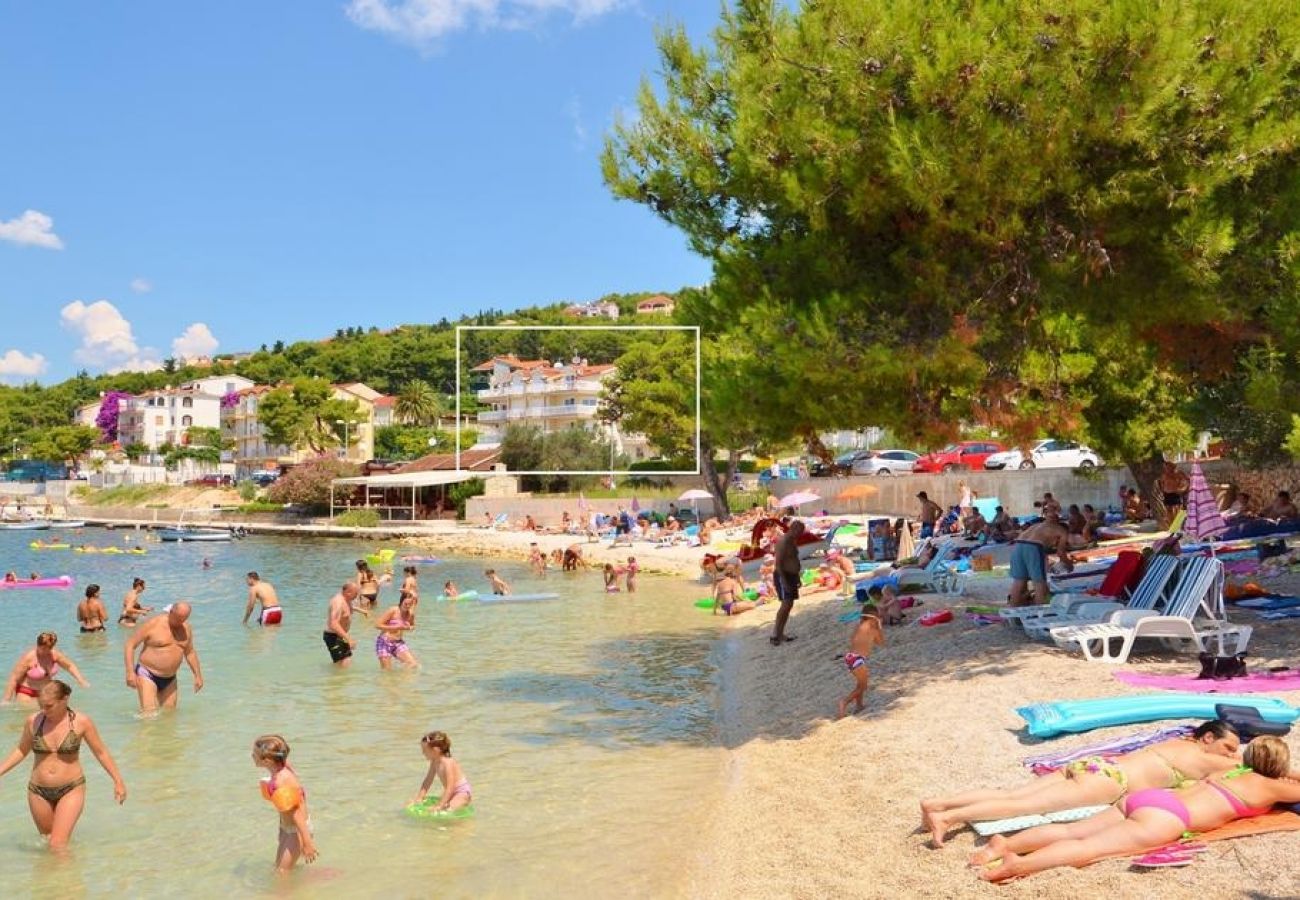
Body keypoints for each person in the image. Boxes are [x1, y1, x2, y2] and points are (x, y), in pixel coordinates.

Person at [973, 736, 1300, 883]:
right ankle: (1016, 865)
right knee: (1087, 848)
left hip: (1148, 798)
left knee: (1073, 830)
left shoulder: (1226, 771)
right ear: (1278, 767)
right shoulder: (1271, 786)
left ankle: (1005, 844)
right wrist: (1286, 771)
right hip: (1167, 819)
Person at [922, 719, 1245, 847]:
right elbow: (1252, 764)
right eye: (1228, 747)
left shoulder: (1177, 743)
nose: (1232, 755)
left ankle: (939, 804)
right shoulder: (1205, 756)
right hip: (1109, 780)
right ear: (1207, 738)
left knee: (1013, 794)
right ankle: (948, 818)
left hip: (1096, 765)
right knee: (1021, 805)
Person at [0, 680, 126, 851]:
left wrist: (117, 780)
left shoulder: (82, 722)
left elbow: (101, 752)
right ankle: (55, 877)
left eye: (49, 706)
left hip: (71, 788)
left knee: (57, 845)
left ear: (64, 699)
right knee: (47, 842)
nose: (44, 710)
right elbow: (21, 750)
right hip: (38, 791)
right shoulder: (33, 721)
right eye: (41, 705)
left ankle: (67, 877)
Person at [252, 734, 317, 873]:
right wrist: (282, 829)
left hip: (297, 830)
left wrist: (307, 843)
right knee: (278, 868)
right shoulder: (279, 768)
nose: (252, 756)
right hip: (287, 828)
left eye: (255, 754)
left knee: (282, 872)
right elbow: (285, 809)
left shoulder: (282, 780)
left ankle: (327, 876)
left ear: (267, 760)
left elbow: (297, 814)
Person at [124, 603, 203, 712]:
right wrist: (130, 673)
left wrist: (197, 675)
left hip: (170, 678)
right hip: (147, 673)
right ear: (171, 612)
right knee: (149, 714)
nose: (180, 622)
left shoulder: (186, 628)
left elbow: (189, 652)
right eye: (178, 618)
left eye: (184, 619)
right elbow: (130, 645)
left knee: (169, 715)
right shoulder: (154, 624)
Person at [1007, 512, 1073, 607]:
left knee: (1019, 580)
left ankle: (1012, 609)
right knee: (1038, 582)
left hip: (1018, 545)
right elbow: (1061, 553)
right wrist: (1069, 564)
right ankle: (1040, 609)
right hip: (1033, 547)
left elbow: (1043, 554)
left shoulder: (1037, 525)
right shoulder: (1062, 530)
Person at [4, 633, 90, 704]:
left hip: (45, 692)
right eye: (42, 648)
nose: (44, 651)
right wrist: (6, 699)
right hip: (26, 692)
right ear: (38, 645)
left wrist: (81, 681)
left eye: (48, 649)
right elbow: (14, 678)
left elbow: (70, 666)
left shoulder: (54, 654)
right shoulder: (29, 657)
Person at [838, 603, 885, 719]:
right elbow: (881, 642)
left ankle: (859, 705)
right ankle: (844, 702)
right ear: (874, 616)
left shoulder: (860, 626)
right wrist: (880, 626)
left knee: (860, 684)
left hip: (850, 657)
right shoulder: (873, 628)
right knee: (863, 687)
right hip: (857, 659)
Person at [412, 731, 473, 812]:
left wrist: (440, 805)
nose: (423, 753)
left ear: (436, 750)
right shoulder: (434, 762)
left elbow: (450, 787)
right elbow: (427, 781)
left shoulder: (448, 763)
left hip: (462, 792)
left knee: (448, 809)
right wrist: (419, 797)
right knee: (440, 807)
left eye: (425, 750)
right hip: (450, 792)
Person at [771, 520, 805, 645]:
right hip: (783, 575)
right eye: (800, 531)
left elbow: (793, 559)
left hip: (791, 575)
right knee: (785, 604)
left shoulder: (792, 541)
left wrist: (797, 578)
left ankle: (781, 633)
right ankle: (775, 634)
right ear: (794, 528)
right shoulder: (783, 541)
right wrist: (784, 581)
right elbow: (778, 563)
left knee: (789, 605)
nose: (800, 534)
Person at [374, 593, 419, 670]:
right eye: (406, 604)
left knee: (413, 665)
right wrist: (396, 627)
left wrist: (409, 628)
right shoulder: (393, 610)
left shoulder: (410, 614)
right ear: (401, 601)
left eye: (410, 604)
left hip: (398, 643)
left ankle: (401, 680)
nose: (408, 606)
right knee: (387, 671)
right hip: (384, 642)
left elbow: (412, 625)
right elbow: (377, 625)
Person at [323, 583, 360, 667]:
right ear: (348, 592)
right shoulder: (338, 602)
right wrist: (349, 639)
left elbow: (347, 609)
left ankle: (337, 677)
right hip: (333, 636)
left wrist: (362, 611)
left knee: (345, 661)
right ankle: (335, 679)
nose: (357, 596)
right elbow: (333, 623)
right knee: (344, 662)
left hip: (340, 635)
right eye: (356, 594)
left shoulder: (346, 600)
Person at [1159, 460, 1190, 526]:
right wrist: (1162, 490)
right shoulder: (1164, 475)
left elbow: (1187, 481)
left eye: (1168, 467)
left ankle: (1178, 527)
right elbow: (1161, 483)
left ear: (1172, 466)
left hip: (1175, 493)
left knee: (1177, 511)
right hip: (1167, 494)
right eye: (1165, 467)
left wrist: (1182, 489)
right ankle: (1173, 528)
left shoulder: (1179, 473)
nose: (1166, 468)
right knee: (1169, 511)